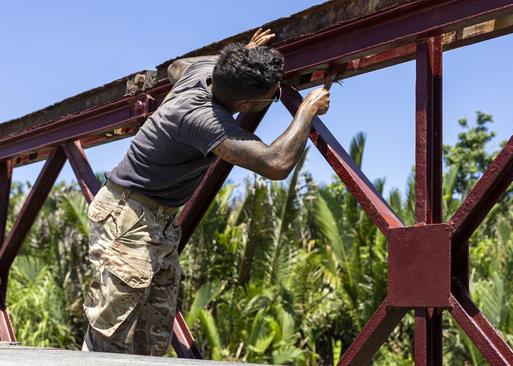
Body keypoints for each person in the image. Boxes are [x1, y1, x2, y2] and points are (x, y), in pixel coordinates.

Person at [81, 28, 330, 355]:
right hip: (127, 218)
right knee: (110, 335)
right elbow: (276, 163)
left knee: (151, 337)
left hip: (156, 220)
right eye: (272, 95)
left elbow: (175, 66)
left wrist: (241, 56)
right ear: (243, 103)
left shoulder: (204, 73)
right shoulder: (202, 119)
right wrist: (305, 112)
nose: (275, 97)